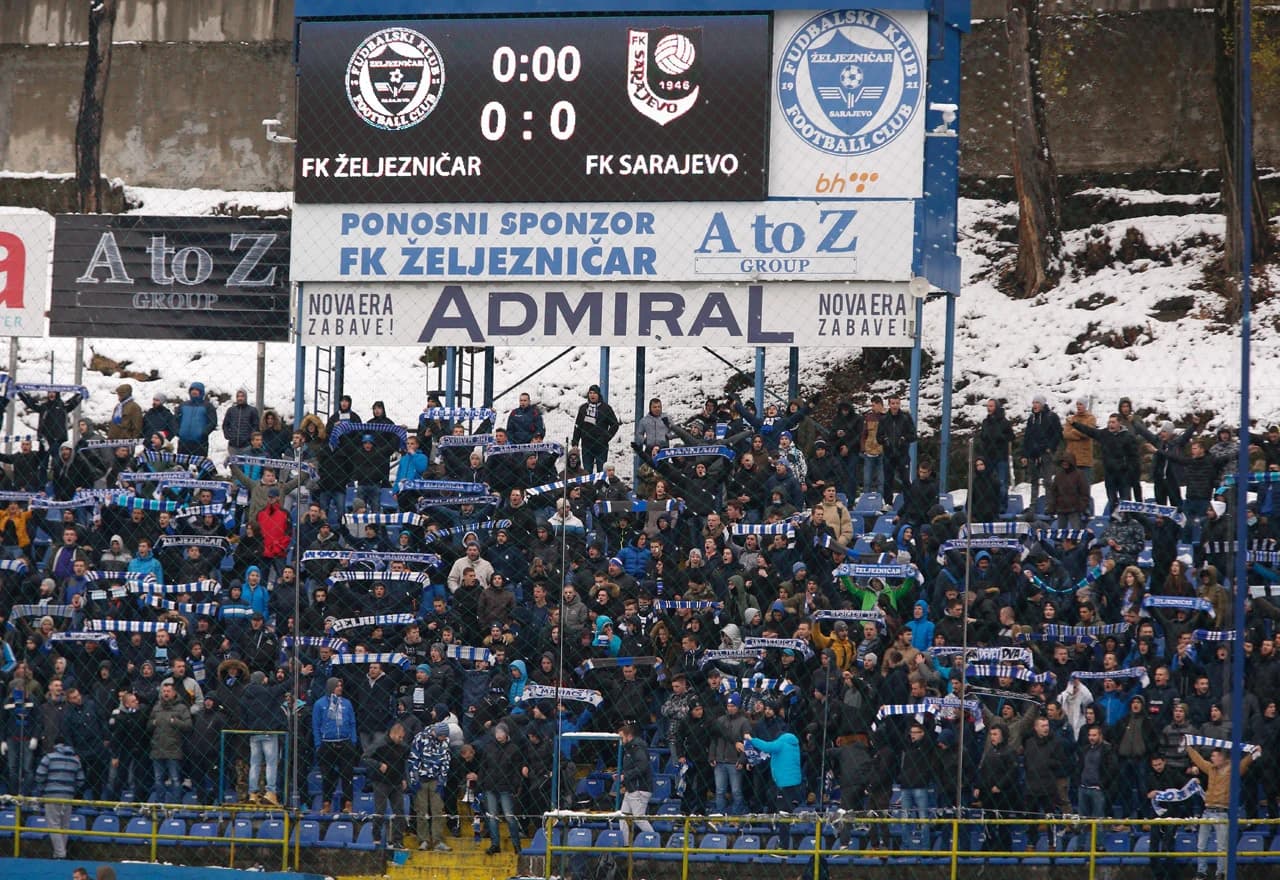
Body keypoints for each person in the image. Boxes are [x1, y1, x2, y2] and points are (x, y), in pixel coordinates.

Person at [1187, 744, 1256, 880]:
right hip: (1207, 810)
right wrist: (1189, 748)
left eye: (1214, 756)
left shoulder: (1232, 769)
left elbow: (1244, 763)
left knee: (1222, 847)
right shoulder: (1211, 769)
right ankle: (1202, 872)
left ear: (1222, 757)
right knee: (1201, 844)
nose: (1212, 758)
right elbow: (1199, 760)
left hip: (1221, 811)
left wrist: (1252, 754)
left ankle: (1221, 873)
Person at [312, 677, 359, 813]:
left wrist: (353, 741)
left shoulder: (347, 703)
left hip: (345, 742)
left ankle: (348, 804)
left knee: (347, 775)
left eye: (340, 686)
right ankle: (326, 804)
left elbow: (352, 723)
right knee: (327, 776)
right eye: (337, 686)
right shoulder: (319, 704)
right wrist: (318, 744)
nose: (340, 688)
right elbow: (316, 725)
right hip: (327, 744)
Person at [35, 736, 84, 859]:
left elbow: (39, 775)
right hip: (68, 796)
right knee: (65, 825)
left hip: (52, 795)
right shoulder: (75, 760)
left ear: (55, 745)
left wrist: (43, 788)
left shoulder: (49, 758)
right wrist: (71, 789)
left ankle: (60, 854)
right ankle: (59, 853)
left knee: (54, 825)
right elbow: (81, 780)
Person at [408, 722, 453, 852]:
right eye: (442, 736)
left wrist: (442, 781)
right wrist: (414, 779)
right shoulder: (420, 738)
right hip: (420, 779)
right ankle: (423, 840)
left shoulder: (445, 742)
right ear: (437, 733)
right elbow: (413, 759)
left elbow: (446, 761)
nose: (444, 739)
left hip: (436, 780)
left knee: (437, 810)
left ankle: (438, 841)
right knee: (421, 810)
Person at [367, 722, 410, 849]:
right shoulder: (379, 744)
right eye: (400, 737)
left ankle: (398, 840)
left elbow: (404, 763)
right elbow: (365, 758)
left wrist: (404, 778)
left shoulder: (403, 747)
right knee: (380, 810)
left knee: (399, 812)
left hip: (396, 782)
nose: (401, 740)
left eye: (403, 737)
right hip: (381, 782)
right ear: (393, 733)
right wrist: (378, 765)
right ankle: (376, 837)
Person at [618, 722, 656, 844]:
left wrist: (625, 776)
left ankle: (655, 840)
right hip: (631, 788)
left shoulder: (637, 748)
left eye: (621, 737)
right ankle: (626, 845)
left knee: (639, 818)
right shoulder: (629, 748)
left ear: (628, 736)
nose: (620, 740)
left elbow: (642, 766)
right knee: (623, 817)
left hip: (640, 788)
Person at [572, 384, 620, 473]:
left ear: (599, 395)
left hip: (601, 445)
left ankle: (600, 486)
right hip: (587, 445)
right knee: (587, 472)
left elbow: (615, 425)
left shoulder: (606, 408)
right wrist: (575, 442)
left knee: (601, 471)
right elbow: (578, 426)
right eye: (590, 393)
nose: (592, 395)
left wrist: (606, 437)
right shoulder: (583, 408)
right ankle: (588, 487)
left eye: (594, 393)